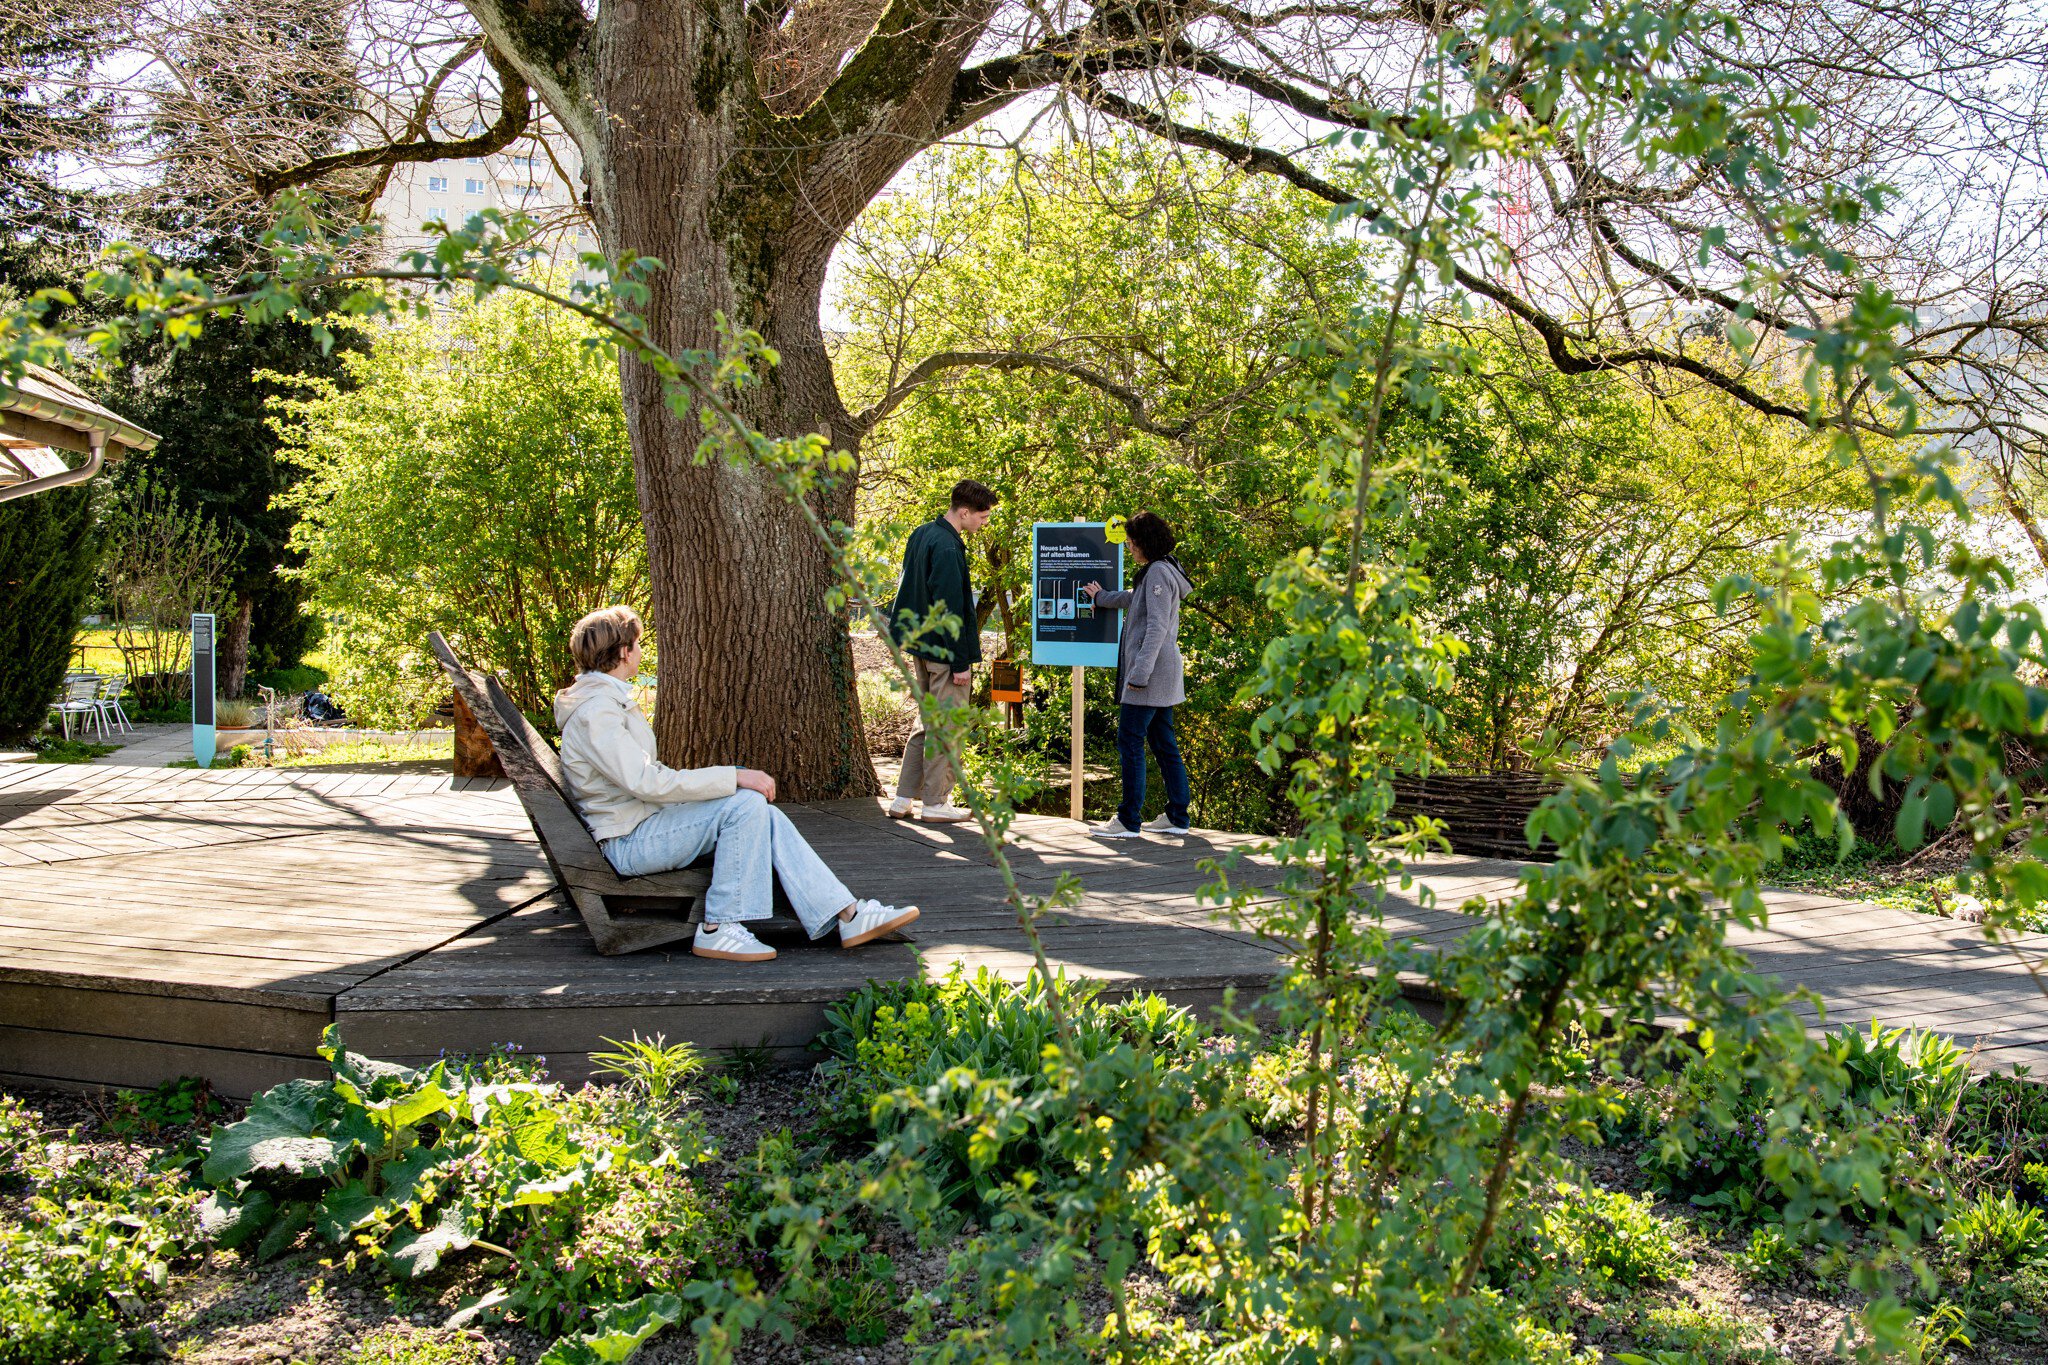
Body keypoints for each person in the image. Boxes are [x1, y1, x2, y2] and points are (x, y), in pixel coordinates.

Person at [554, 605, 919, 963]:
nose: (641, 651)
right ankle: (718, 928)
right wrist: (733, 776)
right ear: (623, 652)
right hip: (629, 842)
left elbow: (643, 779)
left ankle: (849, 915)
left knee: (762, 813)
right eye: (638, 644)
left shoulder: (602, 701)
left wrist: (731, 781)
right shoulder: (596, 711)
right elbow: (647, 782)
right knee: (743, 805)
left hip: (643, 825)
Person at [884, 478, 998, 824]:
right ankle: (935, 802)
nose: (984, 523)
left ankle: (903, 798)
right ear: (964, 512)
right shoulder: (948, 548)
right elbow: (950, 609)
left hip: (920, 646)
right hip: (944, 652)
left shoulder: (922, 534)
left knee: (927, 722)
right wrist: (960, 662)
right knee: (947, 727)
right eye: (983, 517)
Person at [1081, 512, 1193, 840]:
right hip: (1163, 674)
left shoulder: (1157, 571)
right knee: (1163, 743)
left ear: (1145, 542)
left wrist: (1139, 674)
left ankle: (1128, 820)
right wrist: (1102, 598)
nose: (1129, 547)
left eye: (1131, 542)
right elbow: (1135, 599)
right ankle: (1177, 816)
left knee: (1130, 741)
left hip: (1150, 675)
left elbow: (1156, 626)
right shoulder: (1164, 568)